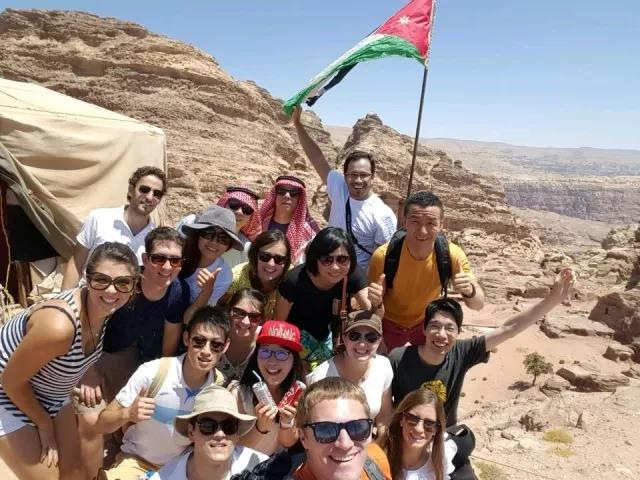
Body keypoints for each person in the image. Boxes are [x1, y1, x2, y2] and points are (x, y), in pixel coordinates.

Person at [0, 242, 139, 480]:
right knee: (49, 478)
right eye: (101, 280)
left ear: (133, 287)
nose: (111, 290)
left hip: (50, 392)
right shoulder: (59, 326)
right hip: (7, 393)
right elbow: (10, 381)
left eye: (122, 282)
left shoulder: (104, 311)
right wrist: (44, 426)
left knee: (75, 473)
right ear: (87, 278)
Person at [389, 268, 574, 427]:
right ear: (424, 329)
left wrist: (553, 299)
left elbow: (508, 329)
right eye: (435, 326)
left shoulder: (461, 353)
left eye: (450, 328)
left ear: (459, 332)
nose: (442, 335)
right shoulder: (398, 358)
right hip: (405, 435)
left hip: (443, 438)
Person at [92, 306, 229, 480]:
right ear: (186, 338)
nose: (206, 351)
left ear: (225, 346)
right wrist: (127, 414)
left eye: (216, 345)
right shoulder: (152, 372)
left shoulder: (219, 388)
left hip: (184, 469)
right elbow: (101, 424)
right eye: (199, 341)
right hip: (137, 463)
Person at [367, 191, 485, 352]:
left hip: (427, 324)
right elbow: (373, 308)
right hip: (390, 324)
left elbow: (478, 304)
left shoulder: (452, 255)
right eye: (415, 222)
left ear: (441, 224)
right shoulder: (383, 256)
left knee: (433, 364)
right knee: (381, 364)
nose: (422, 231)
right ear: (404, 221)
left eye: (431, 223)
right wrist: (375, 302)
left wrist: (470, 291)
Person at [292, 106, 396, 270]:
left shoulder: (383, 215)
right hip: (327, 268)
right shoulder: (340, 188)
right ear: (345, 176)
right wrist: (298, 124)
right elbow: (316, 157)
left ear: (372, 177)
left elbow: (381, 259)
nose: (358, 180)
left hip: (357, 277)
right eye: (353, 174)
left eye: (364, 175)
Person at [276, 227, 371, 367]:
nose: (335, 267)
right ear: (315, 258)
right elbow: (279, 325)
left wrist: (377, 303)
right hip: (294, 342)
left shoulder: (351, 273)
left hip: (328, 341)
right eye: (327, 260)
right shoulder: (293, 281)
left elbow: (371, 312)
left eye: (342, 259)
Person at [62, 166, 166, 289]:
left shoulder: (154, 238)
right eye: (144, 189)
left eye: (157, 194)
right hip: (89, 294)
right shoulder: (99, 218)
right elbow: (76, 263)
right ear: (131, 190)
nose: (149, 197)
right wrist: (64, 297)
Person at [143, 385, 267, 480]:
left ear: (237, 434)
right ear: (191, 432)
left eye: (228, 426)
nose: (220, 434)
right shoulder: (166, 477)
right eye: (208, 426)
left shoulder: (261, 467)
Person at [229, 320, 306, 455]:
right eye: (265, 351)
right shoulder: (238, 394)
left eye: (282, 354)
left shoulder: (298, 394)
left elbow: (287, 443)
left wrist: (286, 423)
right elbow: (231, 447)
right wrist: (260, 427)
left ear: (294, 361)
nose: (272, 361)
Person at [306, 311, 392, 430]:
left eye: (371, 337)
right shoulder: (320, 377)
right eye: (354, 336)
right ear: (344, 338)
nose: (362, 344)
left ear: (379, 340)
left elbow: (384, 419)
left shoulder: (384, 366)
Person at [293, 376, 391, 480]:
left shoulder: (377, 459)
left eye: (357, 428)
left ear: (370, 430)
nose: (345, 444)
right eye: (326, 431)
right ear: (303, 438)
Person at [378, 388, 456, 480]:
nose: (419, 429)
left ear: (436, 430)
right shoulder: (378, 458)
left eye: (429, 424)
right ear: (401, 419)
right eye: (412, 419)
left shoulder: (441, 460)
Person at [179, 206, 244, 305]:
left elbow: (199, 312)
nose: (214, 242)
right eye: (208, 234)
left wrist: (207, 291)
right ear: (198, 235)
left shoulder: (224, 276)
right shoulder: (178, 254)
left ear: (228, 246)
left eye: (223, 239)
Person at [223, 230, 292, 320]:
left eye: (279, 259)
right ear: (255, 255)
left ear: (286, 262)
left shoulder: (292, 280)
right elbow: (218, 308)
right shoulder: (234, 278)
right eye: (265, 256)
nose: (271, 264)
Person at [258, 175, 319, 263]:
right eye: (281, 191)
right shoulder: (259, 222)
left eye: (293, 193)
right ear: (275, 195)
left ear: (299, 199)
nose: (287, 196)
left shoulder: (309, 232)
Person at [217, 288, 267, 384]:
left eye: (254, 316)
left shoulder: (266, 342)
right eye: (239, 313)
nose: (245, 322)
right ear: (229, 311)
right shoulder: (214, 336)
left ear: (261, 320)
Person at [217, 186, 262, 268]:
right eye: (234, 205)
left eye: (247, 209)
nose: (239, 212)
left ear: (251, 217)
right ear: (223, 205)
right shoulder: (199, 229)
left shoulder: (246, 248)